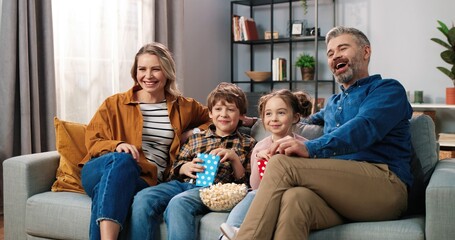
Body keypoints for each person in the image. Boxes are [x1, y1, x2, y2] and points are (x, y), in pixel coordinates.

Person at [232, 26, 414, 240]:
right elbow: (304, 120)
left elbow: (364, 127)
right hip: (343, 191)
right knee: (295, 199)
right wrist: (255, 121)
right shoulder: (333, 103)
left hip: (385, 186)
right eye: (330, 53)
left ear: (366, 52)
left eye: (342, 48)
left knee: (281, 164)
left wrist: (310, 147)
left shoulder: (387, 90)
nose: (335, 55)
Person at [80, 42, 212, 240]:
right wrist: (116, 145)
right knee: (122, 160)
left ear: (167, 72)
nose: (148, 76)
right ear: (135, 72)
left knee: (105, 191)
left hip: (144, 180)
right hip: (100, 169)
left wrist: (191, 132)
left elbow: (213, 118)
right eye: (142, 69)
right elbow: (92, 140)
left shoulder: (183, 107)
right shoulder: (114, 103)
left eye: (156, 69)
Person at [127, 82, 257, 240]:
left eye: (230, 109)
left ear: (242, 115)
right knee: (143, 198)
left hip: (214, 190)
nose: (224, 114)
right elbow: (173, 170)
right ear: (210, 113)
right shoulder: (196, 139)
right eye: (218, 109)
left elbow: (247, 185)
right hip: (182, 184)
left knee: (178, 203)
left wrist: (234, 159)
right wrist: (184, 168)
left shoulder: (247, 143)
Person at [220, 89, 313, 239]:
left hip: (291, 196)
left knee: (256, 195)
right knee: (253, 194)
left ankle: (237, 230)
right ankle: (230, 232)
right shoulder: (260, 147)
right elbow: (256, 185)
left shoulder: (304, 145)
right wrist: (259, 160)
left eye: (281, 113)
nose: (274, 118)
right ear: (262, 119)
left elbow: (312, 180)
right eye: (268, 114)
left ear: (295, 117)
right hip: (266, 196)